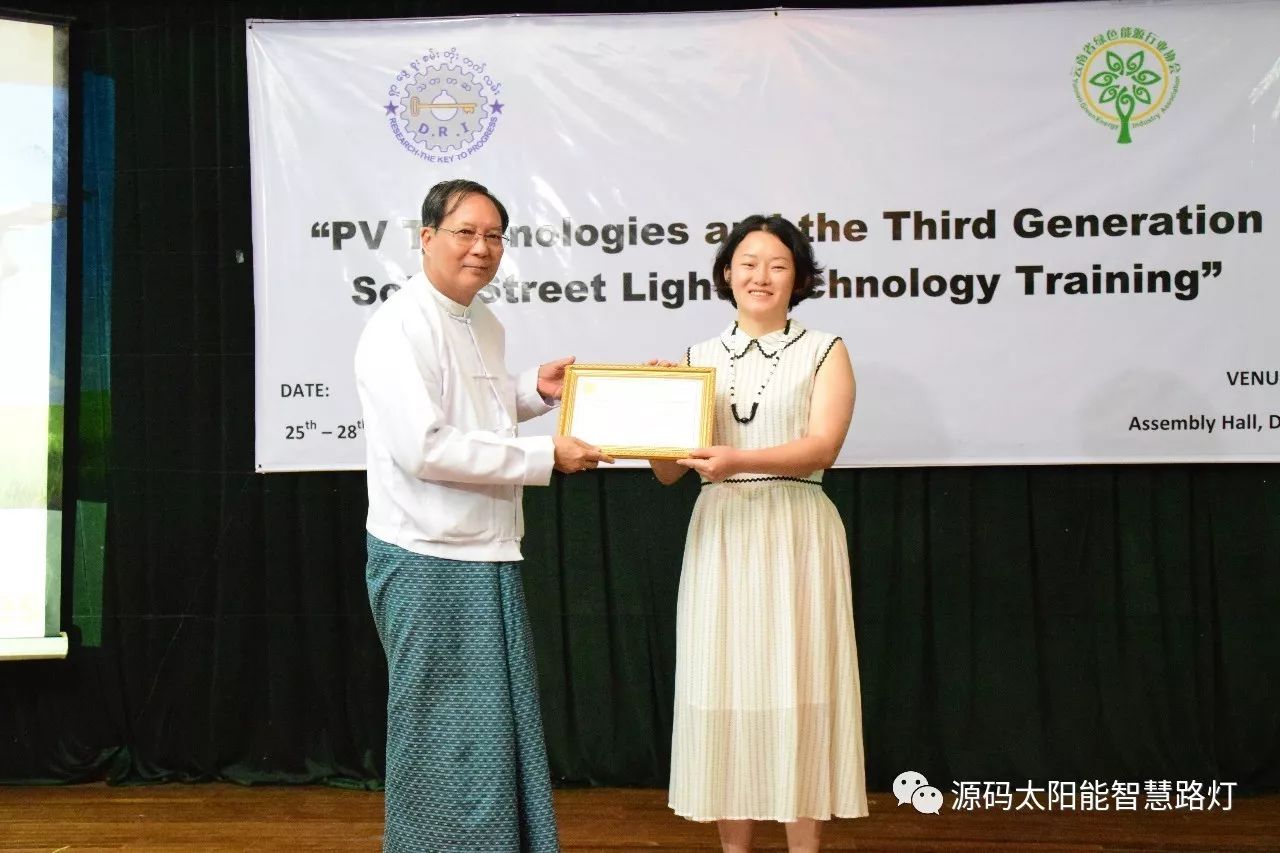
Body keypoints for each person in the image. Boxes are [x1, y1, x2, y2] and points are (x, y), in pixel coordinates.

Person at [354, 178, 611, 852]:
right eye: (465, 232)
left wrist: (532, 391)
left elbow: (474, 413)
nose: (481, 247)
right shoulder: (398, 326)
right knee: (438, 732)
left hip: (487, 551)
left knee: (492, 732)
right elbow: (426, 447)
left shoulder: (482, 320)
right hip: (427, 556)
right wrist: (546, 455)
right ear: (426, 237)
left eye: (494, 235)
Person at [650, 214, 868, 853]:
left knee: (801, 682)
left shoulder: (825, 349)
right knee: (725, 685)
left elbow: (822, 447)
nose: (761, 276)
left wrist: (738, 459)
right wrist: (657, 405)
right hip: (721, 530)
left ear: (798, 277)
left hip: (795, 528)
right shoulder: (696, 359)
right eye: (747, 263)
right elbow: (667, 471)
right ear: (727, 273)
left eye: (777, 264)